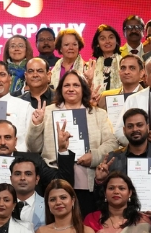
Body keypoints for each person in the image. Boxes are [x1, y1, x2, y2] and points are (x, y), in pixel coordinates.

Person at [26, 70, 116, 215]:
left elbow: (111, 143)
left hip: (88, 181)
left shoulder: (98, 113)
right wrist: (37, 124)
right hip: (55, 179)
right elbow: (33, 148)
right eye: (66, 85)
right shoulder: (47, 112)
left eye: (76, 85)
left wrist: (93, 156)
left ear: (83, 89)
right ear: (60, 89)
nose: (71, 89)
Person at [0, 119, 73, 206]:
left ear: (15, 141)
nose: (3, 142)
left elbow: (62, 184)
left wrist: (63, 150)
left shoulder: (34, 160)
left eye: (7, 137)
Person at [94, 107, 151, 210]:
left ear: (147, 127)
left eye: (139, 125)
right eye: (130, 126)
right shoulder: (112, 159)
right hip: (121, 215)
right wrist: (99, 180)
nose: (135, 129)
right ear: (124, 130)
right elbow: (101, 199)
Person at [9, 156, 47, 230]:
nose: (22, 178)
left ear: (37, 179)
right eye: (17, 174)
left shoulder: (48, 205)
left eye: (28, 174)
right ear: (11, 179)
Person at [90, 24, 123, 95]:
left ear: (116, 41)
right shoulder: (91, 66)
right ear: (97, 44)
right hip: (97, 101)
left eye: (111, 37)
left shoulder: (124, 63)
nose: (107, 41)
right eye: (103, 39)